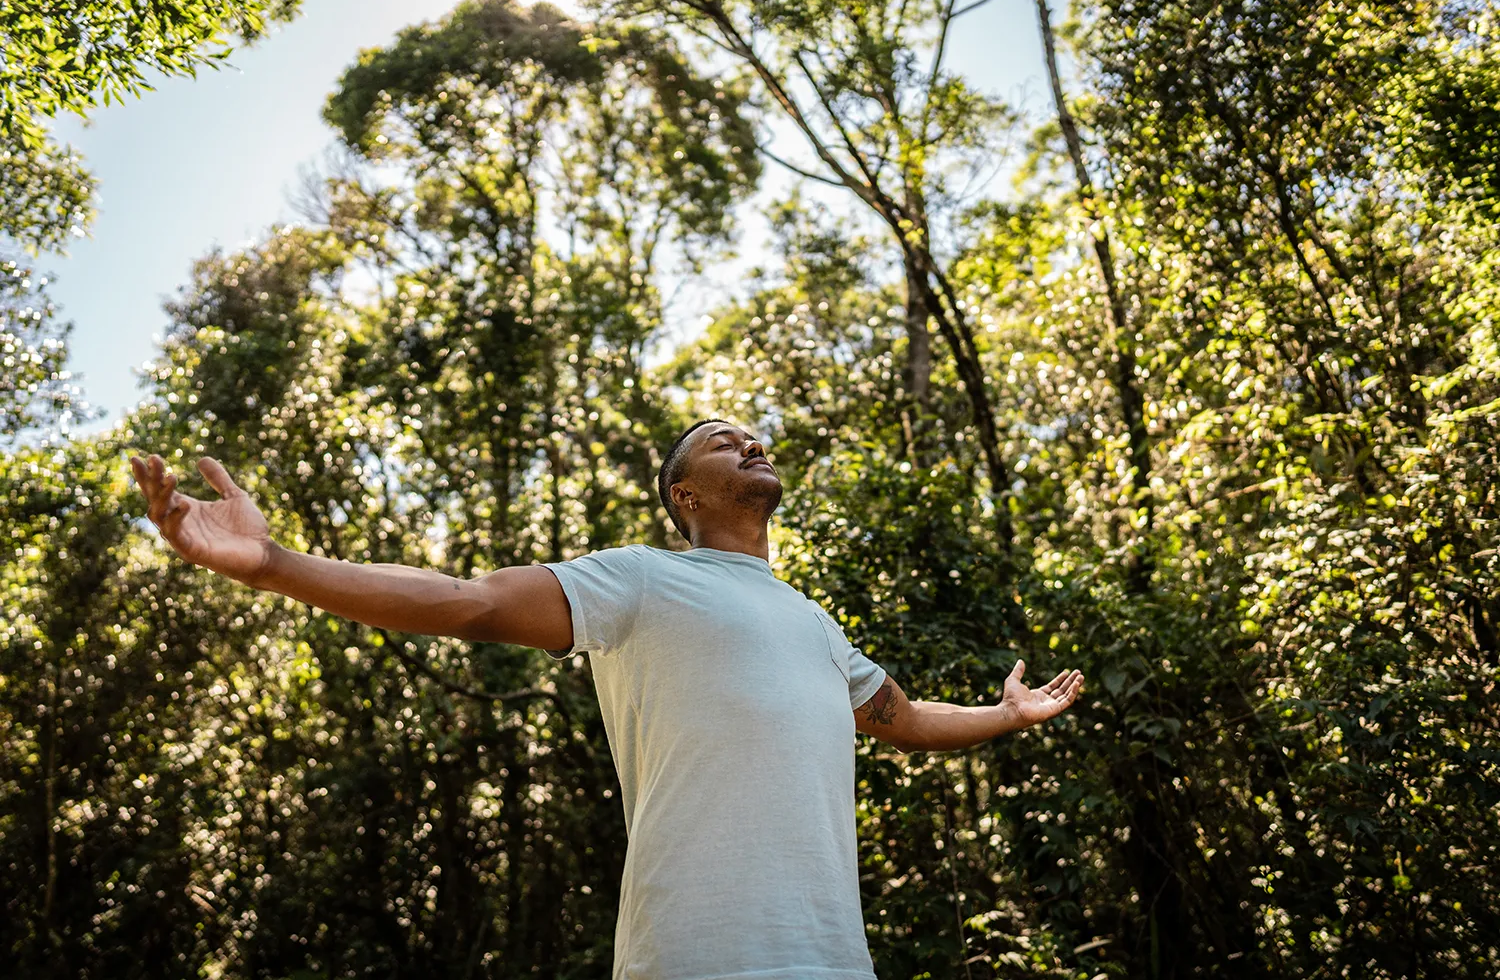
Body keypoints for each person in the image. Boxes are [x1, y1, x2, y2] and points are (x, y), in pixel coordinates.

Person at [129, 418, 1084, 980]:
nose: (748, 439)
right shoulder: (641, 580)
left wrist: (1006, 714)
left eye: (751, 434)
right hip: (696, 958)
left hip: (834, 962)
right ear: (683, 495)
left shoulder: (815, 621)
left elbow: (905, 722)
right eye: (720, 440)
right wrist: (268, 563)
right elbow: (467, 604)